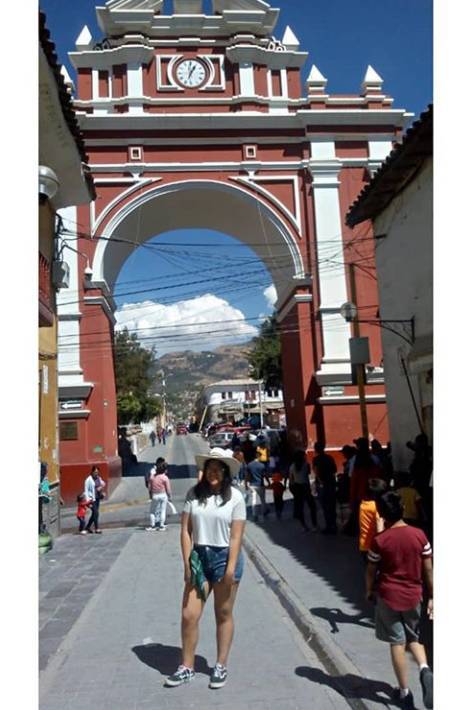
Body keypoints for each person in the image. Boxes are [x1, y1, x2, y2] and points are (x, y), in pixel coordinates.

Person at [165, 448, 246, 690]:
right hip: (199, 557)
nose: (213, 472)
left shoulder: (236, 498)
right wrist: (187, 563)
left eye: (218, 468)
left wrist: (230, 568)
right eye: (210, 467)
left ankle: (220, 665)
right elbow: (185, 531)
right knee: (189, 615)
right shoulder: (193, 494)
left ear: (225, 472)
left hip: (224, 558)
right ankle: (187, 666)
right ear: (205, 470)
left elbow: (236, 537)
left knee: (223, 614)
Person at [366, 491, 433, 709]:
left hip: (389, 596)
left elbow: (370, 570)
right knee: (414, 638)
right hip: (414, 595)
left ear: (382, 514)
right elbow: (429, 570)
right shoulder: (419, 535)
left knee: (397, 642)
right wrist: (432, 596)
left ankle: (405, 693)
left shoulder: (380, 540)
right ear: (402, 509)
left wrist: (368, 591)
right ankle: (425, 669)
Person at [288, 449, 318, 532]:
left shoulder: (292, 466)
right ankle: (314, 525)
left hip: (297, 486)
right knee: (312, 506)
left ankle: (303, 526)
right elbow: (308, 473)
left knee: (300, 507)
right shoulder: (306, 465)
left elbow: (291, 479)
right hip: (305, 486)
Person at [359, 478, 387, 562]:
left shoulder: (363, 504)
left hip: (363, 544)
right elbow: (380, 525)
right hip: (374, 545)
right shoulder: (376, 507)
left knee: (369, 568)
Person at [312, 442, 338, 534]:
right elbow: (335, 470)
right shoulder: (329, 458)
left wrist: (320, 481)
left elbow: (316, 471)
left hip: (322, 485)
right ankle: (334, 525)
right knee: (332, 505)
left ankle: (329, 526)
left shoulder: (316, 459)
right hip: (331, 483)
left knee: (325, 506)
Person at [146, 459, 172, 531]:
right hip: (163, 495)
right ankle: (161, 525)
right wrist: (169, 496)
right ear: (164, 470)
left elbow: (150, 487)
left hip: (155, 495)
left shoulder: (153, 477)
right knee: (163, 510)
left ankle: (153, 526)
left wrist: (150, 495)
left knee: (152, 511)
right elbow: (168, 489)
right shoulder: (165, 478)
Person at [245, 450, 271, 522]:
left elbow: (247, 476)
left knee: (253, 500)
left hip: (252, 484)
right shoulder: (262, 465)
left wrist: (246, 484)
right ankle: (264, 512)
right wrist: (268, 483)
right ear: (258, 456)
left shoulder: (249, 465)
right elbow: (265, 475)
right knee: (262, 499)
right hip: (260, 484)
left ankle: (254, 515)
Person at [84, 467, 106, 534]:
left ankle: (87, 527)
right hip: (91, 499)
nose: (96, 473)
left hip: (97, 498)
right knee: (96, 513)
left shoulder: (98, 478)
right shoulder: (88, 480)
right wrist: (87, 502)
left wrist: (101, 489)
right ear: (92, 472)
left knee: (94, 514)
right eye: (95, 472)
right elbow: (86, 491)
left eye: (97, 472)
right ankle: (97, 528)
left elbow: (103, 484)